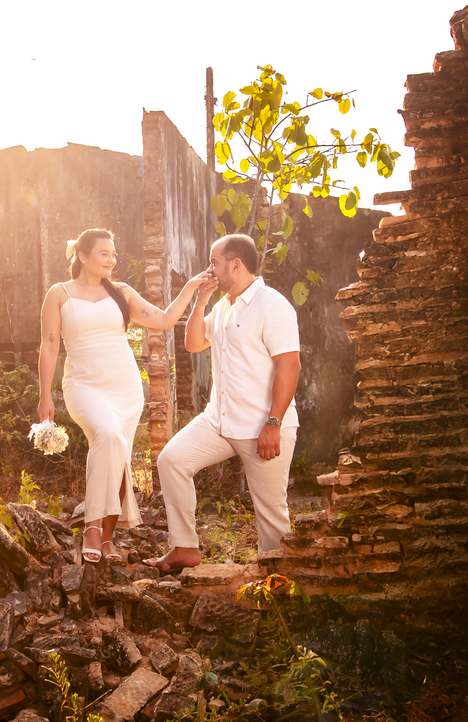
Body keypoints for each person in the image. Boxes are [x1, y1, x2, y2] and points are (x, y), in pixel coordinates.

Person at [38, 228, 216, 564]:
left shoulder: (121, 292)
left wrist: (192, 287)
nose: (112, 259)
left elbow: (163, 321)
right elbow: (49, 346)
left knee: (118, 454)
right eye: (104, 253)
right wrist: (45, 394)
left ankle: (107, 539)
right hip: (83, 384)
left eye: (113, 253)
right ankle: (92, 526)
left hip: (125, 386)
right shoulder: (59, 294)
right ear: (82, 256)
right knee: (106, 434)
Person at [145, 233, 302, 573]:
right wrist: (201, 302)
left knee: (271, 513)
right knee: (171, 460)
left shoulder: (272, 306)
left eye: (214, 263)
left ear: (236, 264)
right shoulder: (223, 305)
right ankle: (185, 548)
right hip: (219, 421)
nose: (210, 269)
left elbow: (290, 366)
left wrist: (273, 424)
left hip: (263, 426)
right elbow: (194, 343)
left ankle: (277, 586)